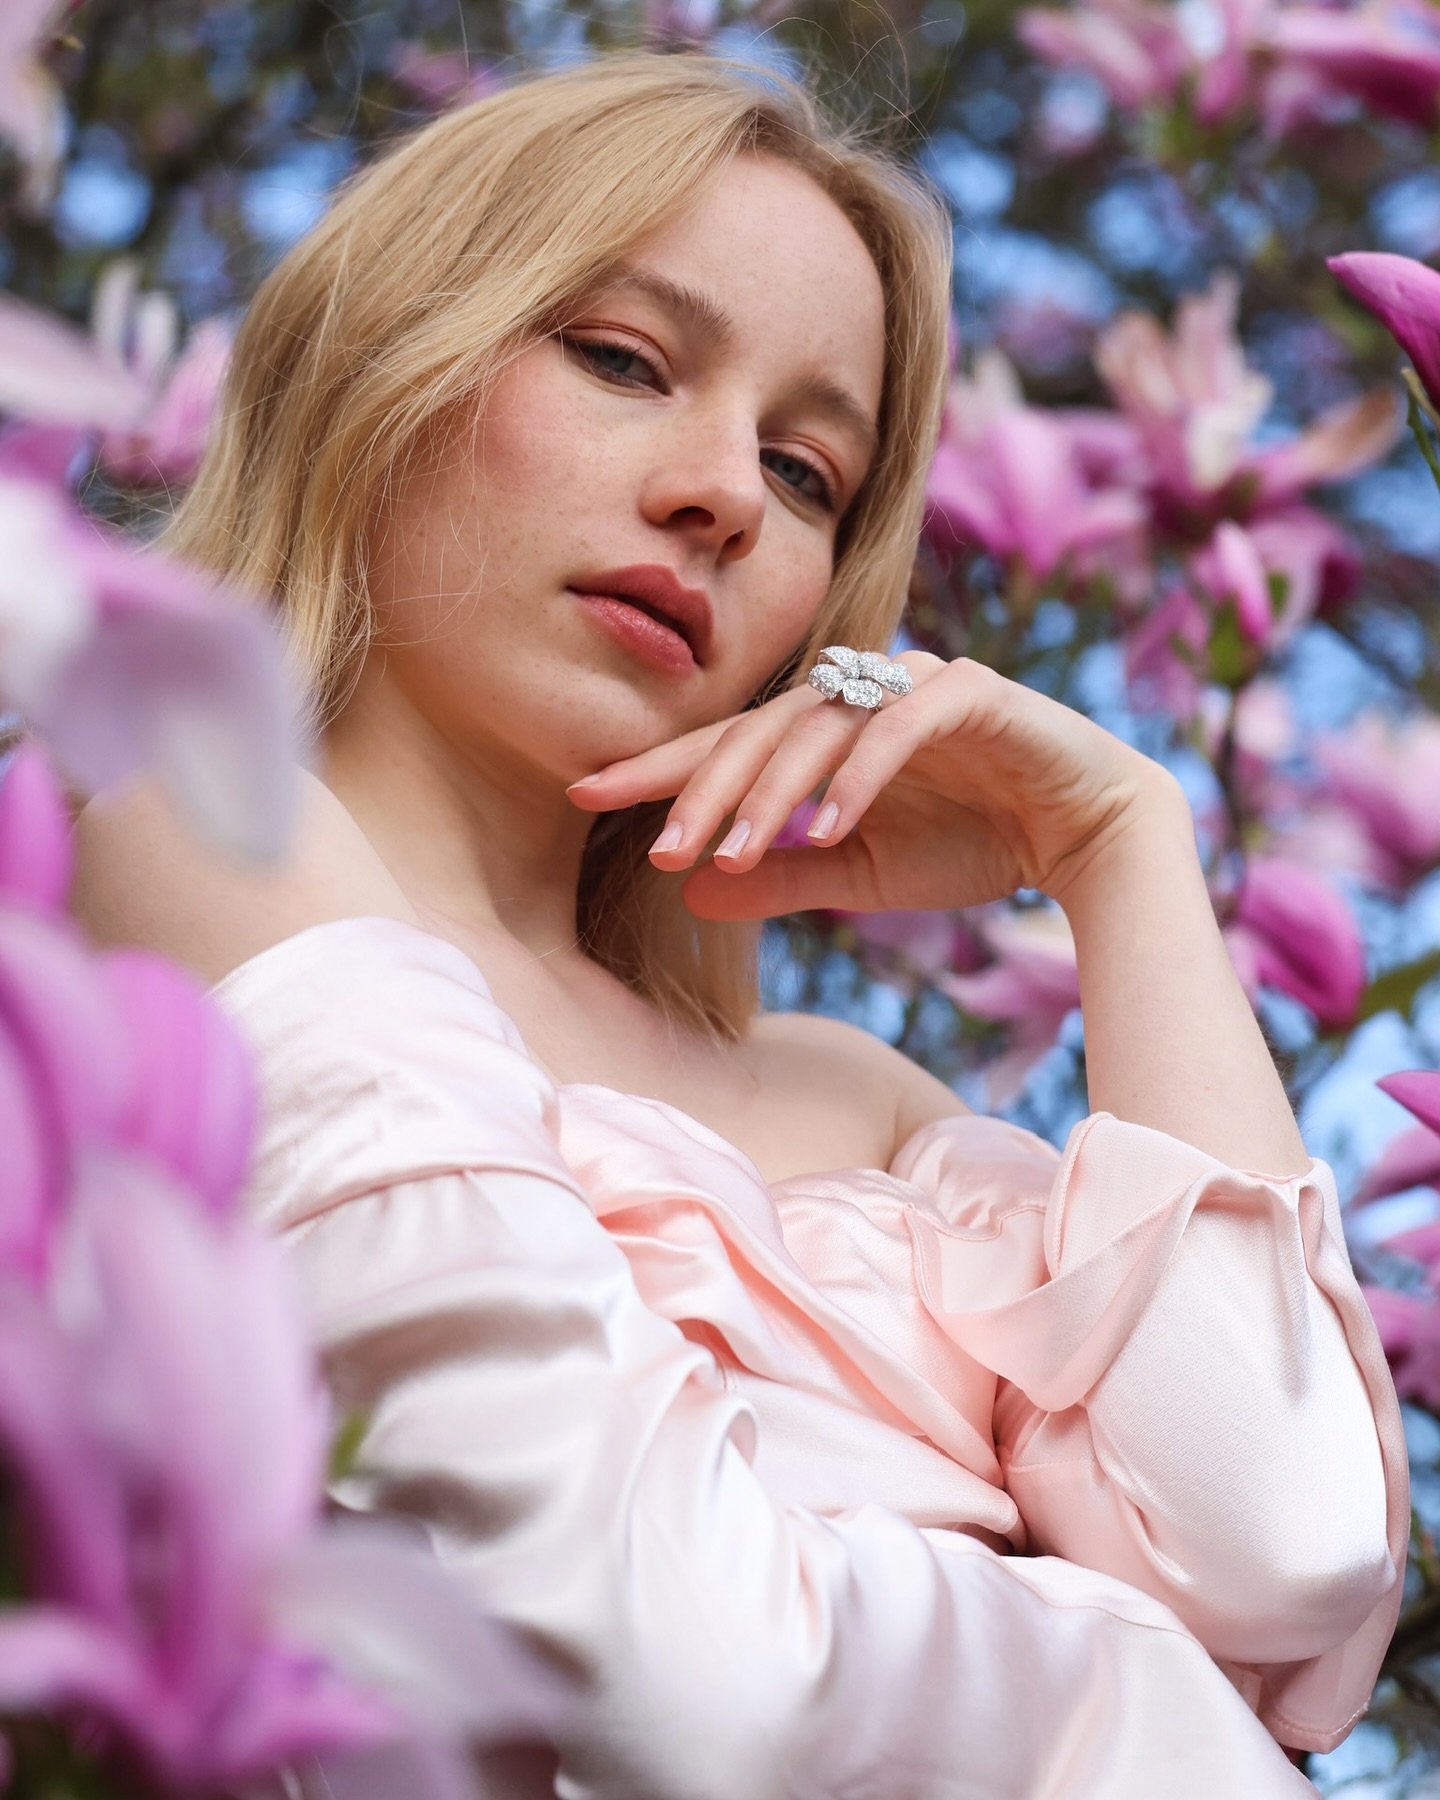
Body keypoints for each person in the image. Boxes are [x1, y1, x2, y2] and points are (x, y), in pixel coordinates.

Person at [68, 48, 1408, 1800]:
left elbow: (1291, 1568)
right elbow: (683, 1680)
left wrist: (1119, 845)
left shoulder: (858, 1103)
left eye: (804, 472)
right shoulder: (195, 836)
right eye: (624, 361)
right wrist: (1140, 1683)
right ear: (380, 362)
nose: (720, 493)